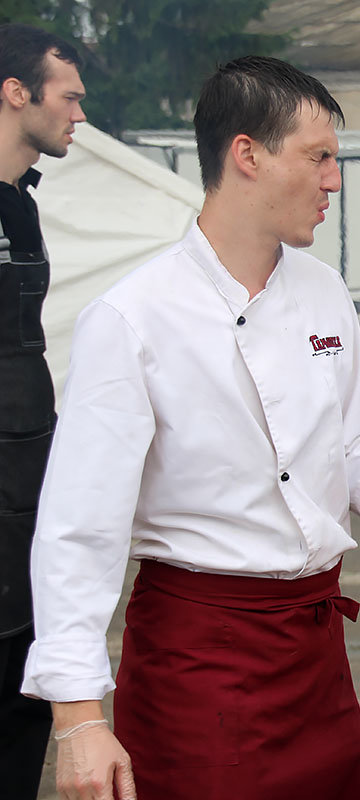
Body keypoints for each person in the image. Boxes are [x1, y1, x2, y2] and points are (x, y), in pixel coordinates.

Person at [21, 56, 360, 800]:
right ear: (247, 155)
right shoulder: (133, 317)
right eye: (319, 156)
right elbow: (80, 530)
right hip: (199, 661)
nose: (335, 180)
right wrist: (78, 721)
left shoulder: (323, 292)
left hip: (315, 658)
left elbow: (344, 453)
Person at [0, 23, 86, 800]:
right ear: (14, 92)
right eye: (69, 97)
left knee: (24, 733)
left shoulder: (23, 208)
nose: (80, 116)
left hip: (27, 510)